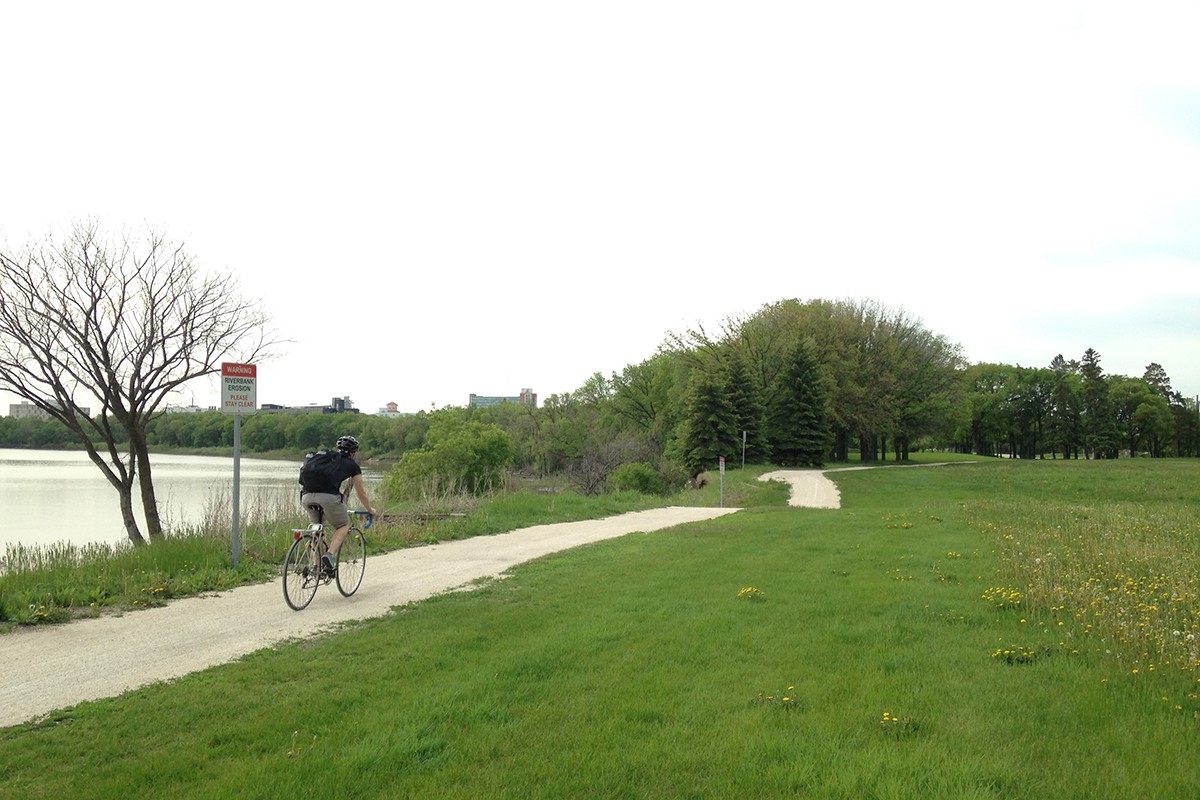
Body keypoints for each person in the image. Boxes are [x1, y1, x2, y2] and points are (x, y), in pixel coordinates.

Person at [299, 435, 380, 576]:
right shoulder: (352, 465)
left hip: (306, 497)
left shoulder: (325, 459)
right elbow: (362, 493)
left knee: (316, 530)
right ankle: (329, 555)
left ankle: (315, 567)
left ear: (338, 448)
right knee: (343, 525)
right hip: (328, 498)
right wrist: (370, 509)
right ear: (354, 452)